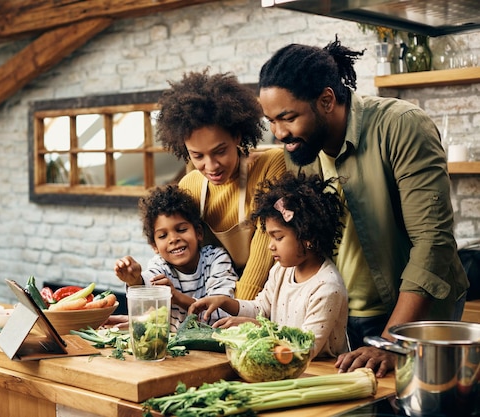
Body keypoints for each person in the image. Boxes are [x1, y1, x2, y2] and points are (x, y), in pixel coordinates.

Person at [257, 36, 469, 376]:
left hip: (413, 313)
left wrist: (389, 341)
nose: (278, 132)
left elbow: (433, 243)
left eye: (287, 117)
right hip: (344, 311)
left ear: (326, 100)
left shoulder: (401, 126)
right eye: (271, 120)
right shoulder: (300, 148)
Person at [156, 69, 286, 301]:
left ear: (237, 136)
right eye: (197, 156)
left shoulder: (270, 166)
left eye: (220, 151)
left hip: (268, 297)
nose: (211, 166)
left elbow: (264, 249)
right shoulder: (190, 185)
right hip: (214, 299)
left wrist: (237, 312)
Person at [189, 172, 349, 358]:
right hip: (284, 365)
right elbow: (261, 309)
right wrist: (225, 302)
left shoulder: (327, 287)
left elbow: (306, 347)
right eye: (270, 236)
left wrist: (259, 329)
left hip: (320, 372)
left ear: (308, 237)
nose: (270, 246)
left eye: (278, 237)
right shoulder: (281, 270)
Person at [114, 184, 238, 332]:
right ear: (155, 246)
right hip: (175, 348)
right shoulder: (160, 265)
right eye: (163, 236)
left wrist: (176, 297)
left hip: (214, 346)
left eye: (181, 230)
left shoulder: (216, 259)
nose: (173, 239)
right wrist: (134, 280)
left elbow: (222, 313)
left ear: (198, 232)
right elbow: (146, 288)